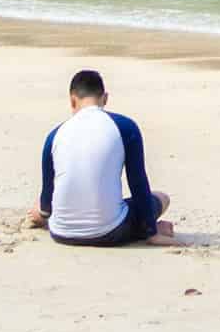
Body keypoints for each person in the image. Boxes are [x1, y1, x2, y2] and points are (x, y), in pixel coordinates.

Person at [27, 69, 172, 246]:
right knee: (161, 198)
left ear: (72, 100)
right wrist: (151, 231)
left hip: (60, 233)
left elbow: (48, 191)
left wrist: (42, 213)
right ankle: (143, 231)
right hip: (109, 233)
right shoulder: (125, 127)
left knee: (42, 205)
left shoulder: (54, 135)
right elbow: (137, 182)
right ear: (105, 99)